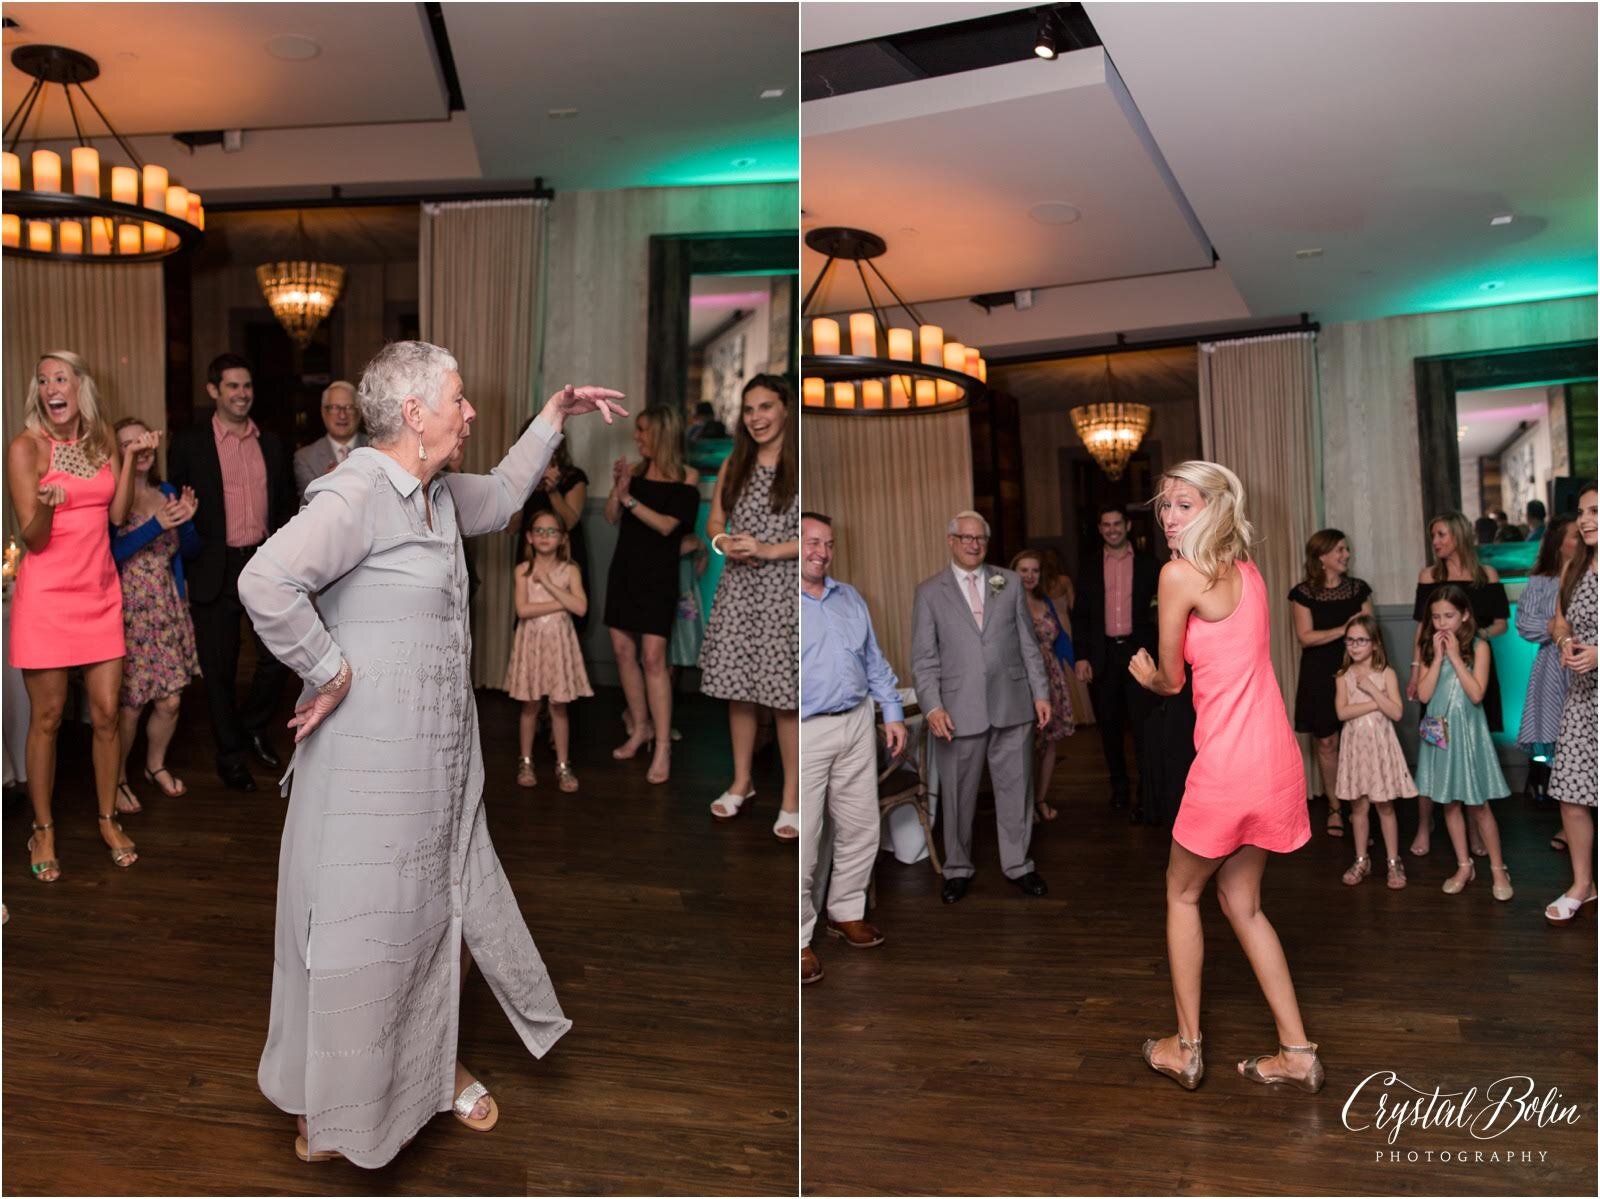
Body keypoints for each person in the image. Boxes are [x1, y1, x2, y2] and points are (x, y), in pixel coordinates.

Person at [237, 340, 623, 1166]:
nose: (470, 410)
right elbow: (264, 582)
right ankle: (330, 1095)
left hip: (436, 757)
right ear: (414, 414)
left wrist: (552, 417)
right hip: (366, 768)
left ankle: (428, 1067)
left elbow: (512, 492)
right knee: (358, 932)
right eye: (458, 397)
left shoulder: (438, 492)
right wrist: (329, 667)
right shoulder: (356, 495)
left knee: (430, 920)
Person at [1128, 461, 1321, 1095]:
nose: (1169, 518)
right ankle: (1297, 1052)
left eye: (1183, 506)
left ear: (1213, 509)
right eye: (1164, 507)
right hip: (1274, 761)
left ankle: (1185, 1050)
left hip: (1227, 768)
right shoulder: (1250, 571)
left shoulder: (1178, 574)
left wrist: (1147, 676)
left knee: (1181, 894)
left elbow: (1173, 679)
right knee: (1243, 904)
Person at [6, 351, 153, 879]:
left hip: (99, 594)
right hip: (47, 598)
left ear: (79, 386)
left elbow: (115, 516)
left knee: (108, 715)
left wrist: (131, 459)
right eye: (42, 380)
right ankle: (42, 828)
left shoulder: (99, 441)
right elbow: (34, 537)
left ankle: (107, 816)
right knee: (47, 718)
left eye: (60, 378)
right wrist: (47, 502)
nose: (51, 387)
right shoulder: (26, 448)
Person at [167, 353, 296, 792]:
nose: (242, 394)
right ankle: (231, 754)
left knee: (278, 656)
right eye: (233, 387)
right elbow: (177, 511)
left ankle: (253, 725)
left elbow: (284, 510)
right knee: (218, 670)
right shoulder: (188, 445)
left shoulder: (273, 444)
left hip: (262, 565)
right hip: (213, 568)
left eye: (247, 387)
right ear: (213, 391)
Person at [912, 510, 1050, 903]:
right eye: (965, 537)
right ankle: (956, 868)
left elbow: (1027, 642)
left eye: (980, 539)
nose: (973, 544)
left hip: (1013, 703)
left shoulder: (1006, 582)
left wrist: (1040, 692)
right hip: (956, 712)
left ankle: (1019, 865)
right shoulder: (929, 592)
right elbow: (924, 659)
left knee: (1016, 790)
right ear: (951, 540)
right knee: (957, 796)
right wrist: (933, 706)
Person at [800, 513, 906, 984]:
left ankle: (844, 911)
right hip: (805, 731)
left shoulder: (850, 598)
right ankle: (798, 939)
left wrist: (894, 713)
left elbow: (875, 661)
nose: (819, 551)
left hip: (857, 722)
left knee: (861, 826)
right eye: (810, 542)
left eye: (827, 543)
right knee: (804, 841)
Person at [701, 376, 800, 838]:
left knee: (784, 699)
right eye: (748, 410)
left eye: (766, 407)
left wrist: (766, 549)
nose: (757, 418)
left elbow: (814, 540)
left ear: (785, 410)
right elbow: (716, 521)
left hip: (783, 590)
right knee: (739, 691)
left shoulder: (800, 464)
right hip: (740, 590)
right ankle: (742, 783)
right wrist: (724, 543)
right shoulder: (734, 463)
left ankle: (792, 800)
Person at [604, 404, 701, 785]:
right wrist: (618, 491)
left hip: (658, 578)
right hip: (624, 572)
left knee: (654, 659)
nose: (637, 436)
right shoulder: (635, 474)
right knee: (624, 652)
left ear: (660, 433)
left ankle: (662, 745)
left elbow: (666, 527)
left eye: (643, 430)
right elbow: (611, 516)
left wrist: (629, 499)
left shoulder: (686, 479)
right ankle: (639, 727)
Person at [110, 417, 202, 811]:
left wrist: (186, 521)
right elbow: (109, 556)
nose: (141, 447)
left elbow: (190, 552)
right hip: (128, 610)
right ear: (118, 454)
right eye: (129, 443)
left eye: (144, 440)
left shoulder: (166, 491)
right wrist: (155, 525)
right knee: (129, 706)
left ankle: (154, 765)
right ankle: (115, 779)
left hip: (167, 606)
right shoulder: (114, 499)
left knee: (170, 701)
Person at [1408, 511, 1509, 857]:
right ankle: (1425, 823)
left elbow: (1500, 625)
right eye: (1433, 535)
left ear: (1459, 536)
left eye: (1441, 535)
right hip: (1436, 674)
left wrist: (1470, 639)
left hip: (1472, 669)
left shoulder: (1486, 575)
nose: (1435, 542)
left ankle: (1475, 830)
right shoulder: (1429, 575)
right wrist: (1415, 668)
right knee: (1433, 747)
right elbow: (1422, 628)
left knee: (1469, 747)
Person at [1413, 586, 1513, 899]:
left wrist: (1455, 656)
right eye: (1436, 617)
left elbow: (1476, 693)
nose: (1442, 623)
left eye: (1449, 616)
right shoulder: (1430, 648)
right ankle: (1463, 864)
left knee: (1479, 805)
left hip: (1469, 736)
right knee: (1449, 803)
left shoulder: (1479, 646)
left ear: (1465, 615)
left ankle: (1498, 868)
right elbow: (1425, 695)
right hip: (1438, 732)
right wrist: (1438, 654)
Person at [1073, 503, 1160, 819]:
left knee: (1142, 728)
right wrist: (1081, 655)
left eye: (1117, 523)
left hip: (1140, 656)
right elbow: (1080, 615)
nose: (1111, 529)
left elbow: (1159, 614)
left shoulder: (1151, 566)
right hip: (1103, 656)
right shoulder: (1088, 566)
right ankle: (1119, 789)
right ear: (1100, 529)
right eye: (1105, 524)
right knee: (1109, 729)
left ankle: (1145, 794)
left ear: (1127, 526)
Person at [1288, 530, 1374, 838]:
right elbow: (1306, 637)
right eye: (1339, 550)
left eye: (1346, 550)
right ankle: (1336, 806)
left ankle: (1360, 807)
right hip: (1318, 673)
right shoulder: (1302, 593)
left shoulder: (1358, 589)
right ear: (1322, 557)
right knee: (1327, 742)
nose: (1346, 555)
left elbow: (1369, 631)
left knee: (1359, 739)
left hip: (1356, 671)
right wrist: (1345, 628)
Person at [503, 511, 592, 793]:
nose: (544, 536)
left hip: (559, 644)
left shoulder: (570, 570)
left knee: (559, 706)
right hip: (531, 643)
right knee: (530, 705)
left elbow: (581, 608)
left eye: (551, 531)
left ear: (563, 538)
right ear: (529, 536)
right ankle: (526, 760)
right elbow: (523, 610)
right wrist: (562, 602)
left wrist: (550, 584)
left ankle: (563, 765)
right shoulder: (522, 571)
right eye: (539, 531)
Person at [1332, 614, 1416, 889]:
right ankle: (1361, 859)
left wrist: (1371, 690)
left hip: (1380, 747)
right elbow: (1342, 712)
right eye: (1350, 640)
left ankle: (1393, 861)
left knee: (1385, 805)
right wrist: (1374, 704)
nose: (1354, 646)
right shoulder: (1344, 677)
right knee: (1358, 807)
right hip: (1355, 748)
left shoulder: (1386, 674)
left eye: (1361, 640)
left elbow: (1397, 711)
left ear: (1375, 643)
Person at [1544, 484, 1597, 923]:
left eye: (1595, 510)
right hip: (1581, 699)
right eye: (1582, 512)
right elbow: (1558, 621)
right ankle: (1583, 883)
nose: (1585, 520)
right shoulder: (1575, 566)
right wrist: (1565, 642)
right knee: (1572, 794)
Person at [1515, 517, 1577, 809]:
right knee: (1559, 744)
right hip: (1553, 669)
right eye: (1574, 536)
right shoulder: (1541, 582)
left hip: (1588, 665)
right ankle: (1569, 819)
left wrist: (1562, 627)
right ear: (1558, 543)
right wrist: (1556, 628)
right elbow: (1525, 623)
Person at [1012, 549, 1076, 822]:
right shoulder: (1006, 603)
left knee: (1049, 743)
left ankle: (1040, 799)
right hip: (1021, 681)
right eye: (1023, 570)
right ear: (1013, 573)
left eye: (1034, 571)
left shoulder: (1046, 602)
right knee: (1024, 744)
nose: (1029, 575)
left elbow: (1059, 639)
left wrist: (1078, 662)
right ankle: (1023, 805)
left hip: (1052, 678)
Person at [515, 437, 590, 632]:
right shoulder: (522, 479)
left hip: (563, 555)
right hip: (532, 556)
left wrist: (552, 489)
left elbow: (570, 522)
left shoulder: (574, 477)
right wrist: (523, 486)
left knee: (567, 627)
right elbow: (510, 526)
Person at [292, 380, 367, 501]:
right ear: (323, 412)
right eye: (335, 408)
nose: (342, 415)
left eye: (349, 407)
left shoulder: (377, 448)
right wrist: (326, 483)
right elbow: (306, 506)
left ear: (358, 412)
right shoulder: (305, 458)